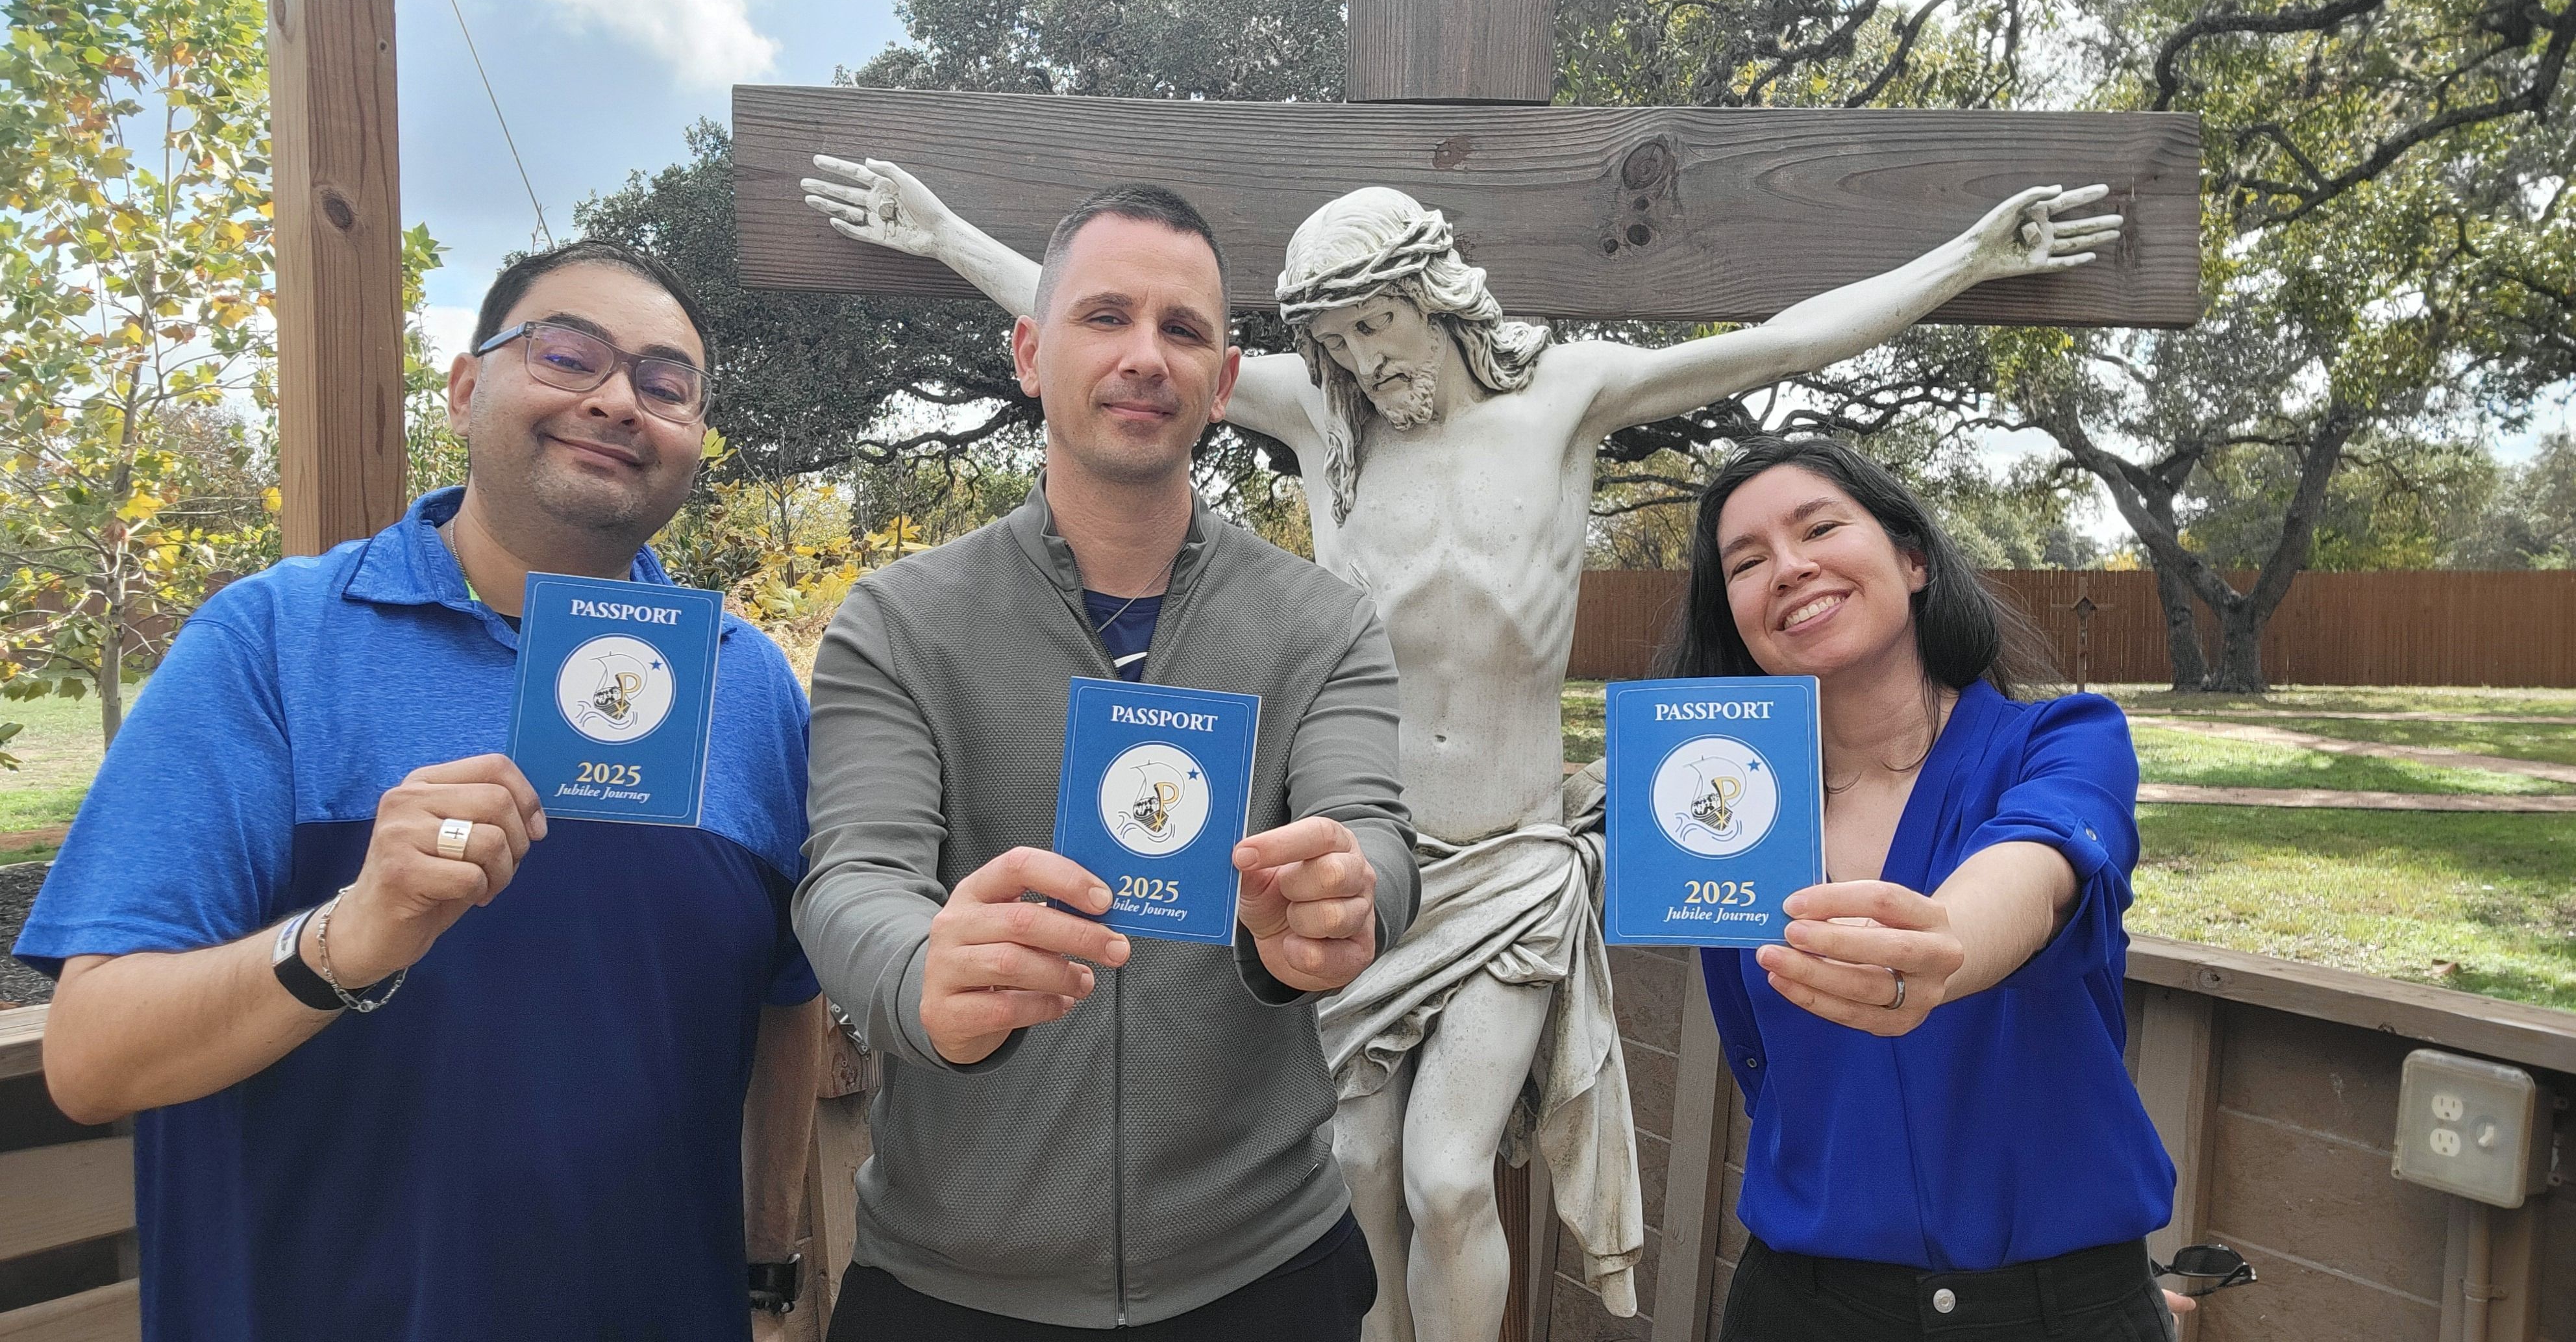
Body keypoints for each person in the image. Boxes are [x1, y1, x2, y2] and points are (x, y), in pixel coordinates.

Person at [800, 153, 2122, 1337]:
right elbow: (1120, 331)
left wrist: (1967, 259)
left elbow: (1771, 347)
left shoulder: (1562, 396)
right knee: (1357, 1169)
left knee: (1445, 1176)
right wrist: (942, 237)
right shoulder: (1322, 425)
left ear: (1435, 294)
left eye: (1378, 323)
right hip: (1352, 867)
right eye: (1335, 340)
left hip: (1504, 864)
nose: (1367, 361)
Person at [18, 241, 827, 1341]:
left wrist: (769, 1267)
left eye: (663, 383)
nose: (616, 401)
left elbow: (788, 1000)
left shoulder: (746, 685)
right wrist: (346, 937)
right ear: (464, 387)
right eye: (567, 354)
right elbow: (91, 1056)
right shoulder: (272, 645)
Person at [793, 182, 1418, 1339]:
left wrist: (1344, 896)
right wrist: (924, 969)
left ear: (1224, 385)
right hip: (950, 1282)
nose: (1146, 356)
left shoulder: (1322, 627)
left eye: (1184, 330)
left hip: (1266, 1272)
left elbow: (1373, 832)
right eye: (1105, 317)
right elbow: (852, 879)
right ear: (1030, 352)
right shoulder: (900, 622)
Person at [1659, 436, 2186, 1341]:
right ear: (1736, 616)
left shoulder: (2067, 738)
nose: (1788, 568)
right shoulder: (1724, 812)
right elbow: (1757, 1054)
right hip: (1803, 1307)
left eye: (1820, 527)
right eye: (1746, 563)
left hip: (2063, 1312)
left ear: (1912, 559)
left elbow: (2043, 859)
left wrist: (1945, 942)